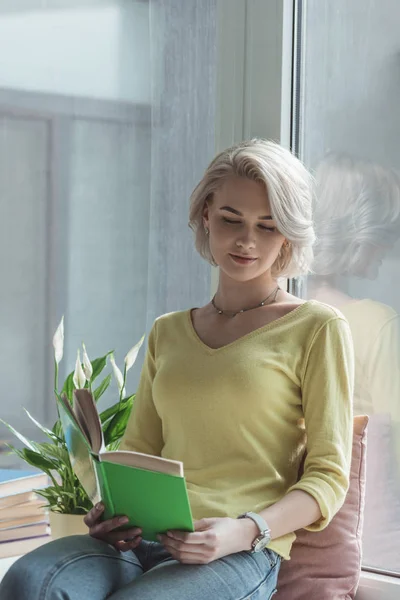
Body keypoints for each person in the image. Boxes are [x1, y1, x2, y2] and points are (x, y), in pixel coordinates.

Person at [0, 139, 354, 600]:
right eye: (231, 219)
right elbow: (140, 450)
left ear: (287, 235)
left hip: (237, 553)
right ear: (206, 214)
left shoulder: (317, 327)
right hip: (140, 542)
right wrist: (111, 512)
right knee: (30, 581)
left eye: (267, 227)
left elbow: (329, 477)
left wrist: (244, 531)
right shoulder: (168, 332)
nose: (247, 240)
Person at [307, 151, 400, 572]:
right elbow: (392, 453)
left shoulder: (279, 315)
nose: (389, 243)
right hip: (366, 546)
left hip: (293, 534)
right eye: (383, 228)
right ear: (356, 231)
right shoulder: (377, 324)